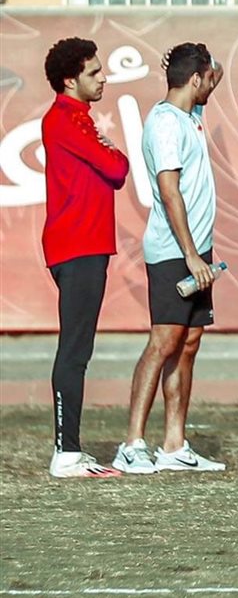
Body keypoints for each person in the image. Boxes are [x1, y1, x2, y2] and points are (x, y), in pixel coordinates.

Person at [113, 44, 226, 475]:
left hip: (197, 251)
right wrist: (191, 254)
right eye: (206, 78)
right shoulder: (164, 123)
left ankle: (174, 445)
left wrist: (193, 61)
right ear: (195, 80)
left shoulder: (191, 114)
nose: (213, 83)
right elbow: (168, 190)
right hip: (175, 252)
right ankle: (132, 444)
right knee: (163, 342)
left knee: (189, 342)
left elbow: (217, 71)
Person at [40, 38, 129, 478]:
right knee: (74, 350)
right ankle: (66, 452)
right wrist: (111, 152)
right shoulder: (64, 119)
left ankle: (71, 449)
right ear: (70, 80)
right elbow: (116, 167)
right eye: (94, 72)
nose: (103, 78)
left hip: (85, 246)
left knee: (79, 347)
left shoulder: (78, 118)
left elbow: (117, 169)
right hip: (77, 246)